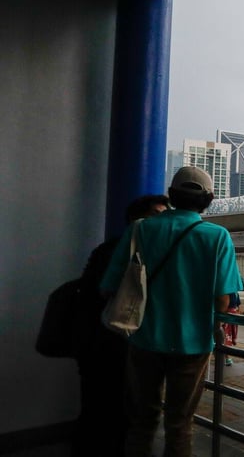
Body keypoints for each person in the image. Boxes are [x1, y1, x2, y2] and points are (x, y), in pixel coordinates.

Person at [101, 166, 244, 457]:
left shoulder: (140, 228)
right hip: (193, 344)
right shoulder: (217, 236)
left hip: (142, 339)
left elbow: (109, 287)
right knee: (180, 423)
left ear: (172, 195)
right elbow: (224, 301)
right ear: (209, 199)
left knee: (141, 422)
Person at [73, 195, 169, 457]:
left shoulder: (105, 249)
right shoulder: (124, 251)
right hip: (113, 344)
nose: (162, 223)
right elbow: (100, 292)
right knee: (116, 413)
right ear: (137, 221)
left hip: (102, 343)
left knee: (99, 411)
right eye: (157, 216)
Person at [223, 290, 241, 366]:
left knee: (226, 336)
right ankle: (226, 357)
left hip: (229, 316)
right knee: (227, 337)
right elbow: (238, 306)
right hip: (231, 316)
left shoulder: (228, 291)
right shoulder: (234, 292)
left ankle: (226, 357)